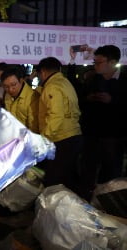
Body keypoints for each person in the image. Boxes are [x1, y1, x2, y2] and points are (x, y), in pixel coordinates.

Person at [78, 45, 127, 200]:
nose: (95, 65)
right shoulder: (93, 79)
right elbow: (80, 102)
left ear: (112, 62)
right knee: (88, 171)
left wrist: (112, 100)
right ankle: (85, 203)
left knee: (111, 174)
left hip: (114, 136)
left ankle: (108, 204)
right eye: (95, 62)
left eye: (99, 62)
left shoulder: (124, 81)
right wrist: (89, 99)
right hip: (92, 134)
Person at [36, 57, 83, 193]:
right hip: (73, 135)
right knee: (68, 178)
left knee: (54, 180)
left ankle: (55, 209)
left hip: (61, 138)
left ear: (43, 72)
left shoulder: (52, 87)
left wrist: (44, 139)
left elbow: (56, 116)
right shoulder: (65, 83)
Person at [1, 66, 40, 133]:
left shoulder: (32, 97)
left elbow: (34, 128)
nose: (10, 89)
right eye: (6, 86)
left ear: (21, 81)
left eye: (13, 85)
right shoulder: (7, 95)